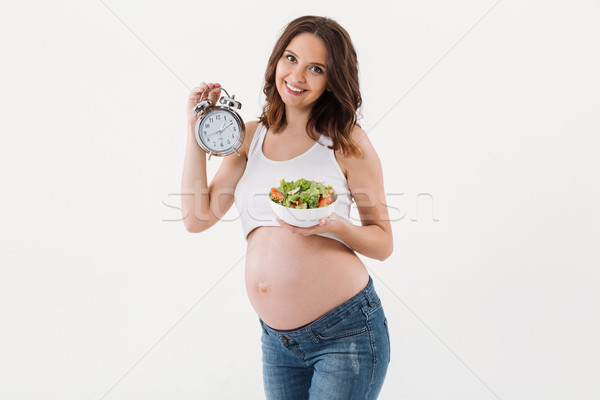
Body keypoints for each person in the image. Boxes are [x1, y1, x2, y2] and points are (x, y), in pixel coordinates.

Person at [182, 15, 393, 400]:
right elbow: (198, 218)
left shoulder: (347, 141)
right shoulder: (248, 136)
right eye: (291, 59)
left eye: (316, 68)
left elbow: (383, 242)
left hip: (346, 334)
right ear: (276, 61)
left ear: (333, 80)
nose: (297, 76)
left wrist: (332, 225)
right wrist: (197, 132)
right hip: (277, 342)